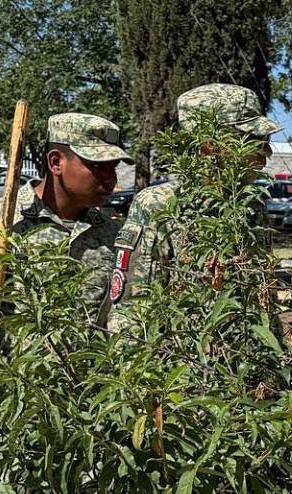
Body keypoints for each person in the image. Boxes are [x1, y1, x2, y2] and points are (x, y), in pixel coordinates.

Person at [0, 113, 132, 459]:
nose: (110, 179)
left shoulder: (111, 235)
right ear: (56, 162)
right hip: (8, 425)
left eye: (113, 167)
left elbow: (116, 324)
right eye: (96, 166)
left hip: (87, 428)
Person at [108, 83, 280, 331]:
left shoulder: (251, 206)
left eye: (266, 140)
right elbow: (134, 314)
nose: (267, 153)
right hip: (187, 363)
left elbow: (263, 301)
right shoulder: (159, 205)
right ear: (209, 144)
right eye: (253, 140)